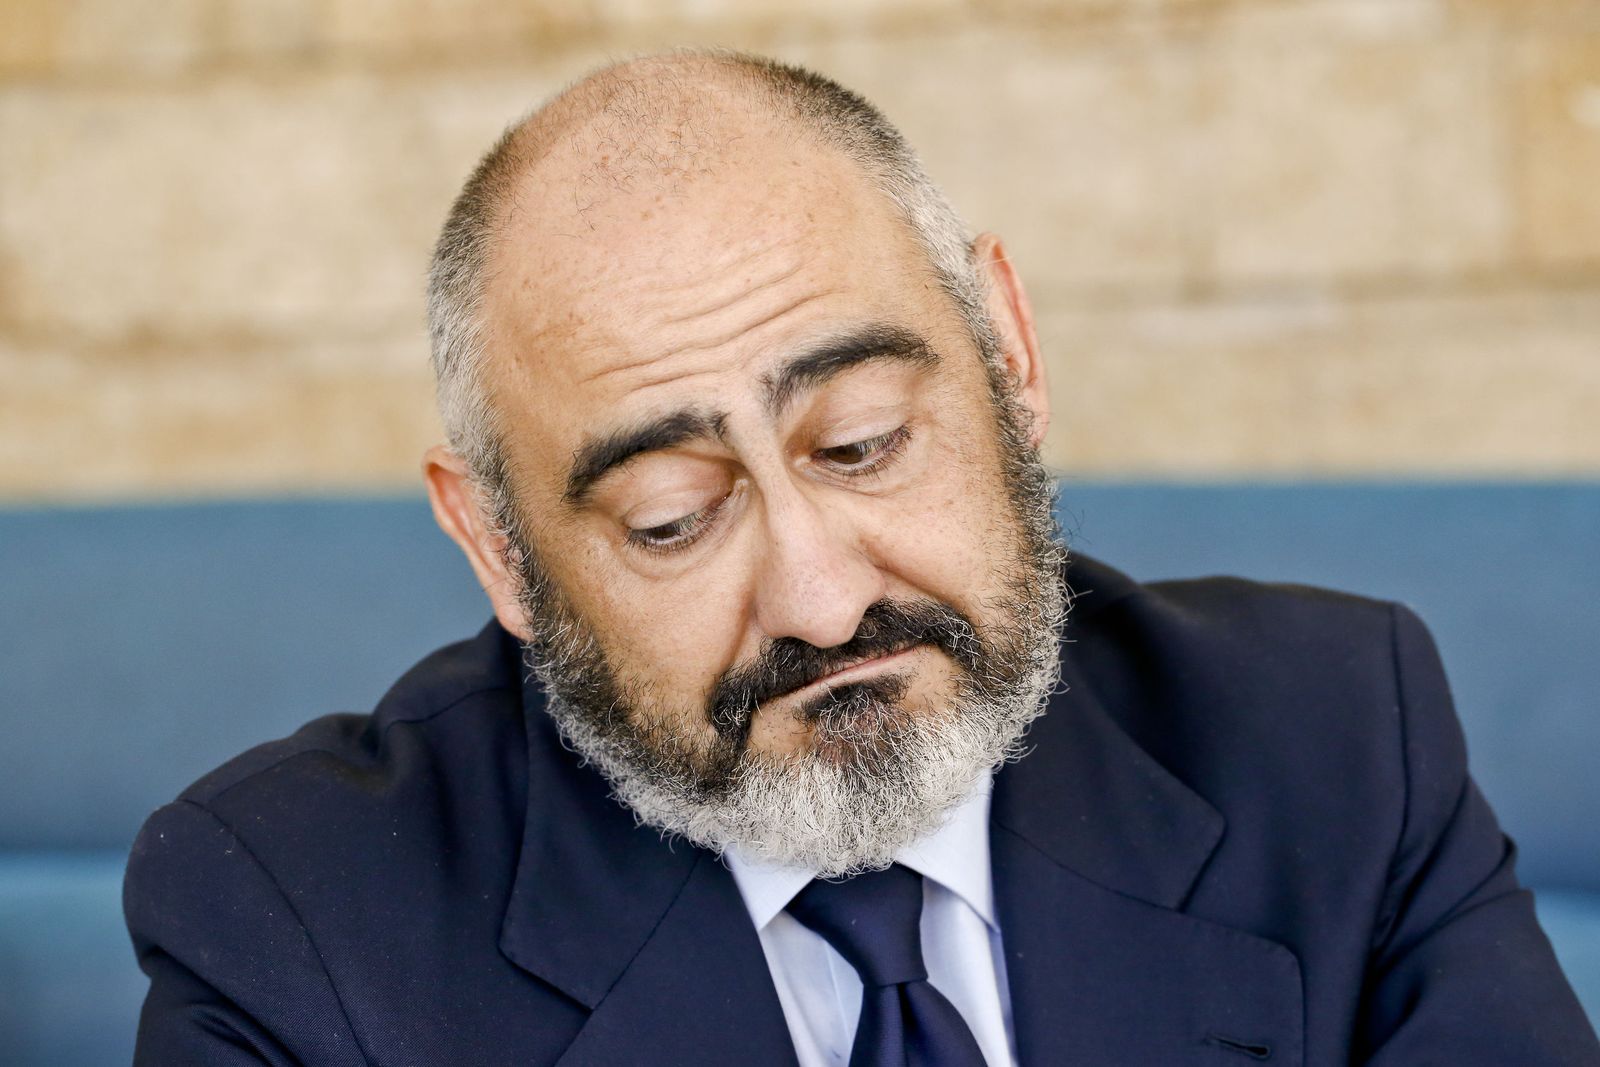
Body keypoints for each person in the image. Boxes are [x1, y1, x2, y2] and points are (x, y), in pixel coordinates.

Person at [123, 49, 1600, 1066]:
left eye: (863, 440)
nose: (824, 600)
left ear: (1010, 356)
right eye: (672, 520)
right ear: (501, 552)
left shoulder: (1336, 737)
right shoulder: (294, 924)